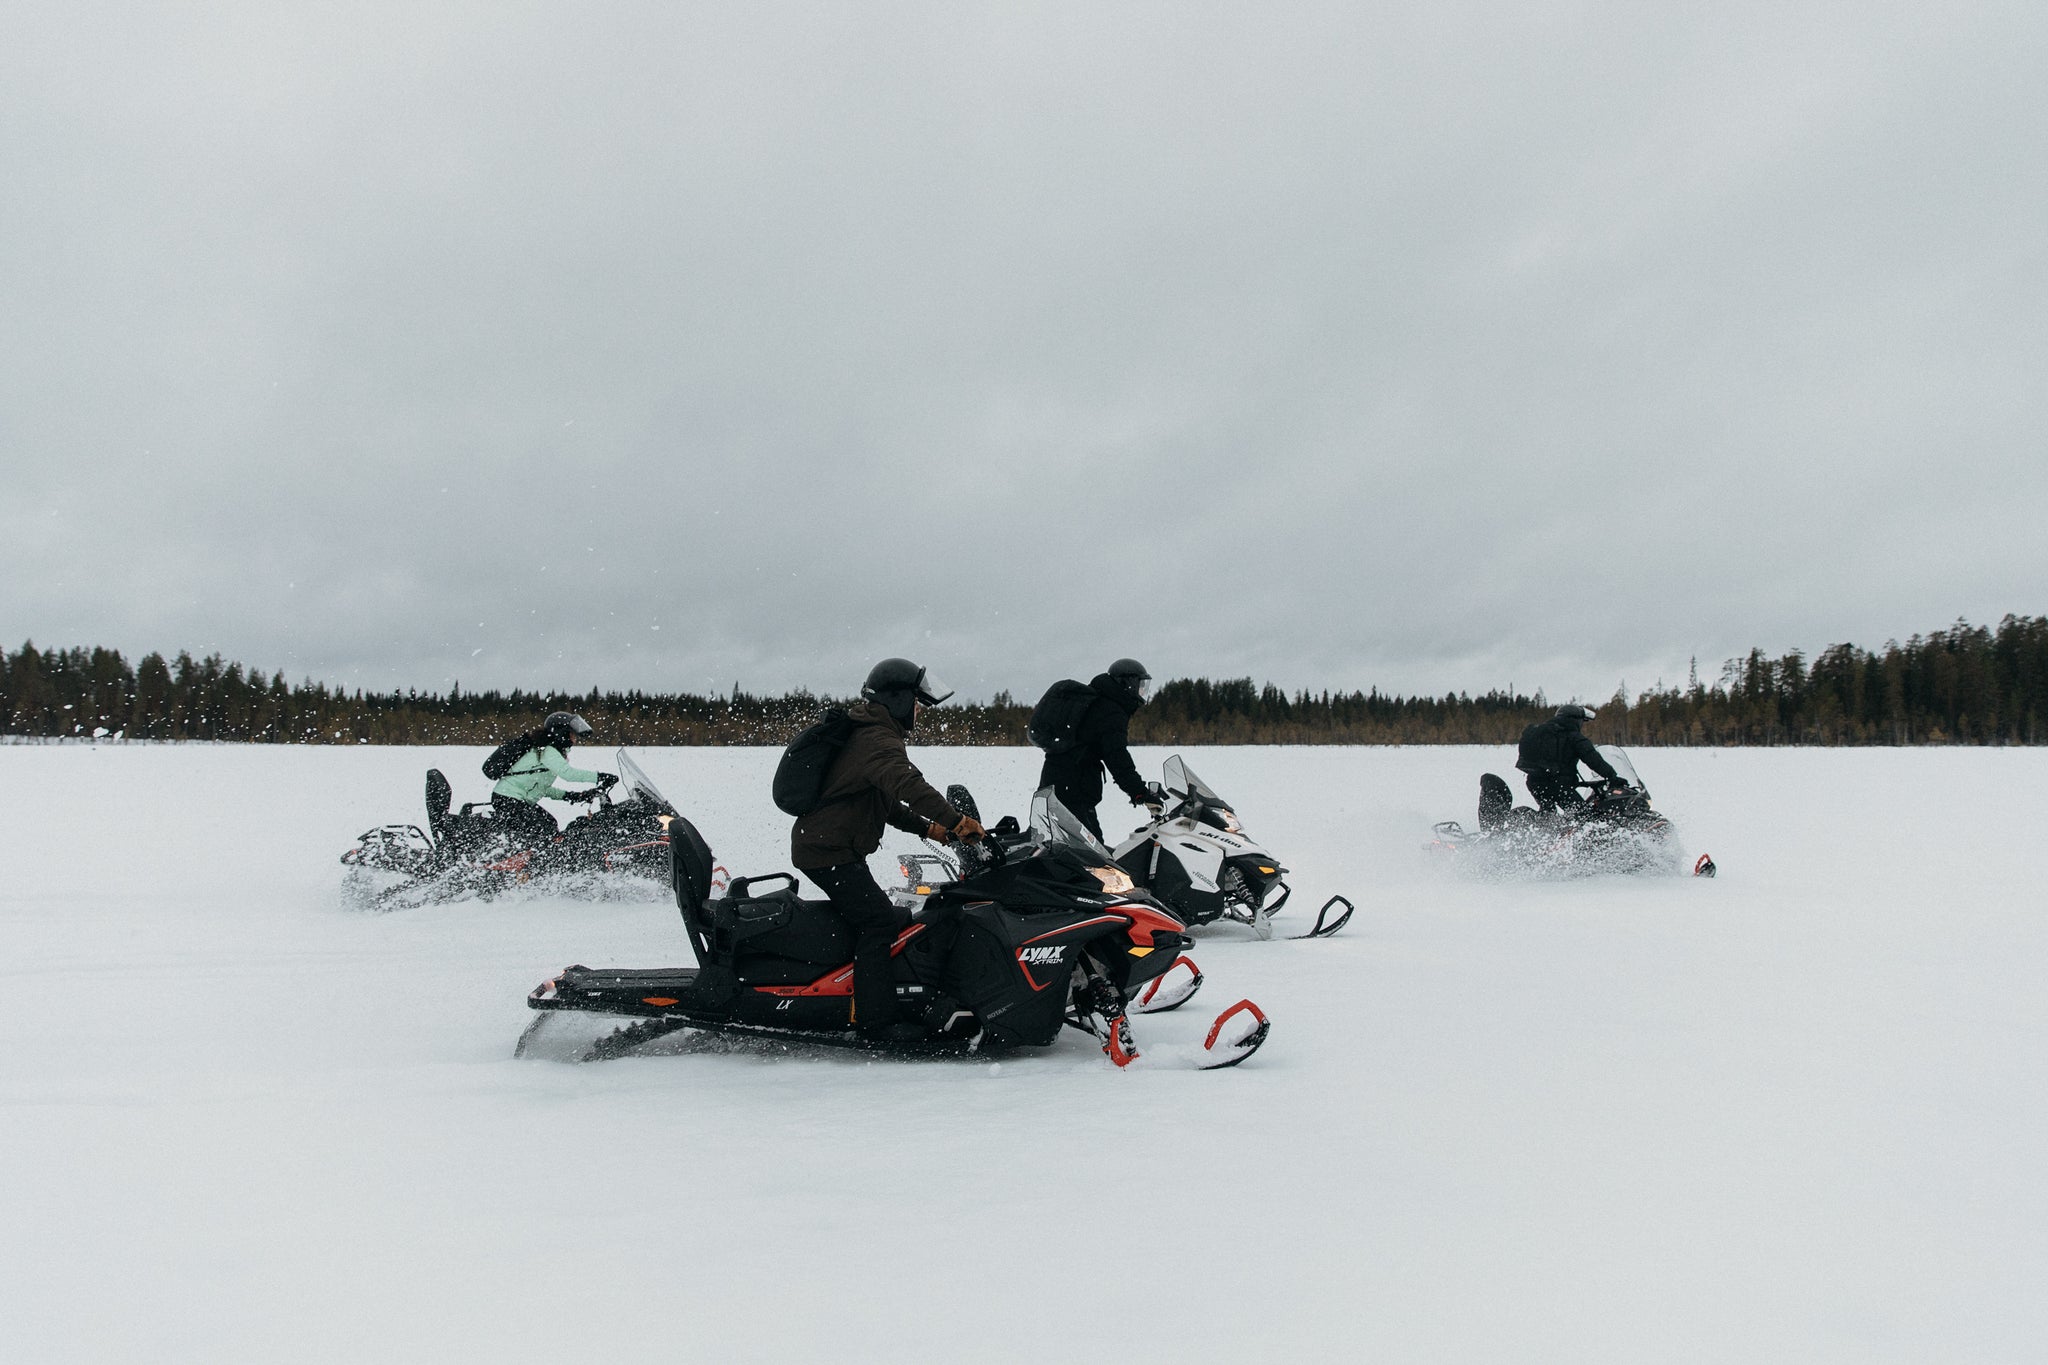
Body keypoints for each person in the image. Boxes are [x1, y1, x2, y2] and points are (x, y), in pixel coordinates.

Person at [790, 659, 984, 1043]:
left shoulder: (870, 733)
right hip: (826, 851)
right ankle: (877, 1022)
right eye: (914, 702)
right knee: (878, 923)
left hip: (828, 846)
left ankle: (866, 990)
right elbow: (908, 785)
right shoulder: (877, 740)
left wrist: (930, 828)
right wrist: (956, 820)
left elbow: (886, 803)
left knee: (888, 916)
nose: (916, 711)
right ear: (897, 699)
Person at [1036, 658, 1157, 841]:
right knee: (1093, 857)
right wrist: (1140, 792)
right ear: (1126, 683)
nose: (1142, 693)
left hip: (1058, 781)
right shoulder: (1110, 711)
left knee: (1062, 845)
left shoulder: (1099, 702)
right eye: (1140, 686)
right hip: (1073, 788)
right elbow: (1117, 758)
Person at [490, 711, 615, 848]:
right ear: (562, 734)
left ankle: (533, 858)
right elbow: (568, 774)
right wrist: (599, 777)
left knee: (549, 825)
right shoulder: (548, 751)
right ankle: (533, 862)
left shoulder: (547, 750)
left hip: (511, 799)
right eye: (572, 733)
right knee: (544, 829)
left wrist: (570, 796)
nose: (575, 738)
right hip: (508, 799)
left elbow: (540, 787)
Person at [1515, 704, 1620, 811]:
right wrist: (1612, 776)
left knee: (1548, 814)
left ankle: (1537, 826)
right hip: (1558, 786)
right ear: (1576, 720)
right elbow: (1593, 760)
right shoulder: (1574, 737)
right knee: (1583, 815)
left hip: (1534, 782)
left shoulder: (1543, 733)